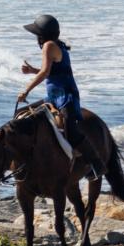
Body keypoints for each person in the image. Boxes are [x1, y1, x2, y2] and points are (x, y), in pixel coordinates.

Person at [17, 14, 106, 180]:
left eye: (37, 35)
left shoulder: (48, 46)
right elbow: (51, 71)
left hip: (65, 96)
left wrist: (26, 91)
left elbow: (45, 73)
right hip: (53, 97)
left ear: (42, 36)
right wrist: (32, 71)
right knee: (21, 115)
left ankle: (96, 165)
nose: (36, 38)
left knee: (71, 131)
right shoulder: (56, 45)